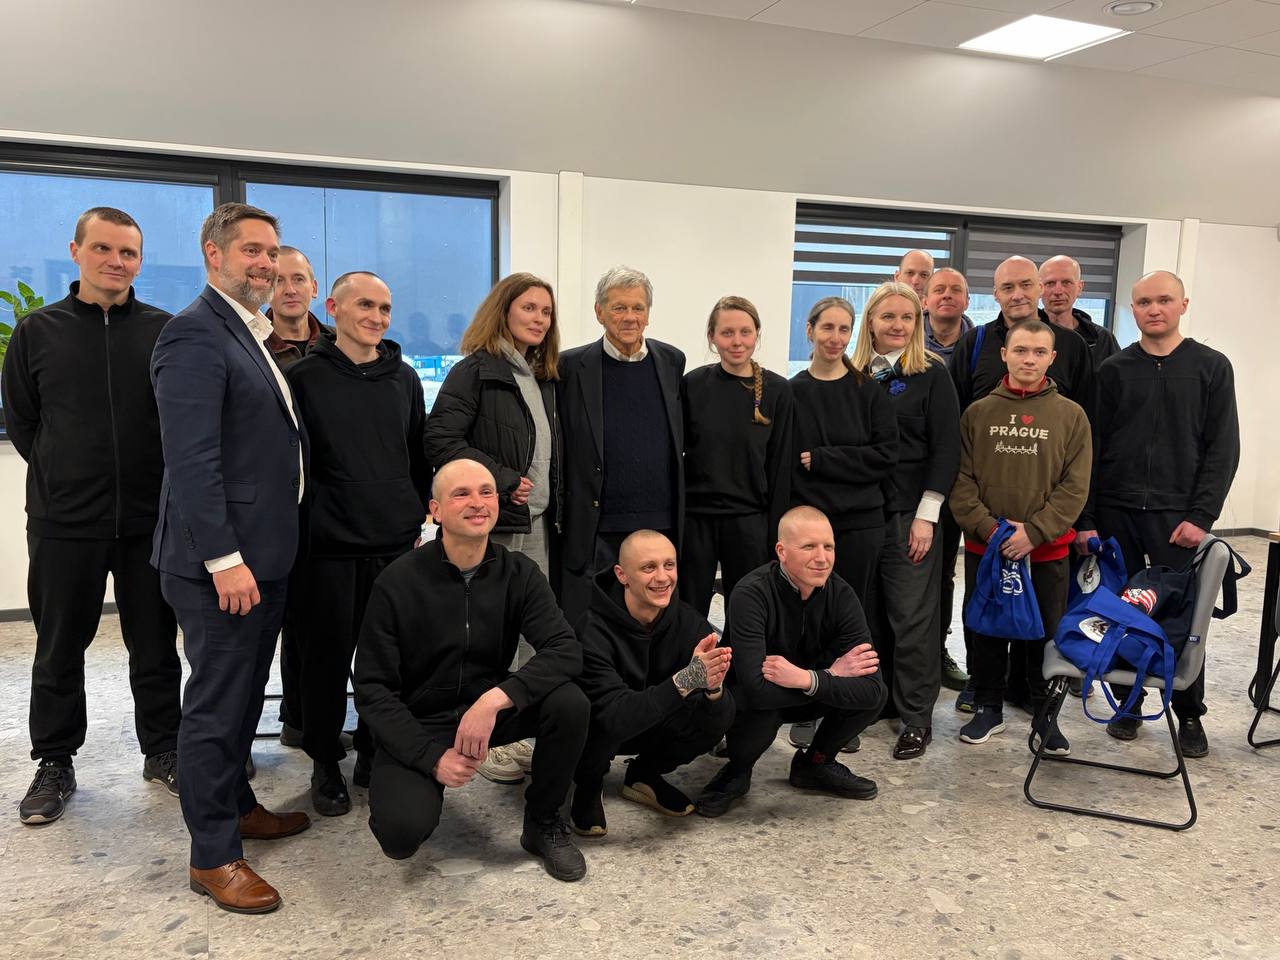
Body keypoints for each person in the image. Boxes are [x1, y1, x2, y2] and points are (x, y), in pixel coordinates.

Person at [151, 202, 311, 914]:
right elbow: (192, 463)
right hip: (223, 566)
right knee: (215, 707)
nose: (265, 264)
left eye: (271, 251)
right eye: (251, 249)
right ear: (212, 253)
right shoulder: (193, 334)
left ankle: (239, 804)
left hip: (265, 557)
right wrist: (223, 559)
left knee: (246, 696)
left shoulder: (249, 332)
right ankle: (212, 856)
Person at [3, 207, 181, 824]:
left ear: (139, 260)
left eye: (128, 253)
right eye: (103, 248)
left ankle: (163, 748)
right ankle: (55, 760)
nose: (116, 261)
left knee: (154, 644)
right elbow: (25, 422)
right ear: (76, 251)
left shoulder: (164, 330)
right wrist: (64, 471)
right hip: (64, 523)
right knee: (59, 647)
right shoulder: (37, 330)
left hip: (147, 522)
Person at [354, 459, 591, 882]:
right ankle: (392, 781)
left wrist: (496, 699)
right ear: (436, 510)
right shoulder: (397, 582)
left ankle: (542, 822)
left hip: (485, 711)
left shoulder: (518, 573)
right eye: (461, 494)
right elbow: (373, 689)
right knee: (401, 835)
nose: (478, 502)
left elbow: (565, 649)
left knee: (569, 703)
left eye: (486, 491)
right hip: (421, 721)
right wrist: (432, 758)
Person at [284, 271, 430, 817]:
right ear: (335, 308)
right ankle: (325, 760)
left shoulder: (405, 379)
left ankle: (374, 748)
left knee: (386, 660)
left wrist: (415, 514)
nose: (377, 317)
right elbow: (296, 466)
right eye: (365, 305)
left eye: (386, 308)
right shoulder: (304, 378)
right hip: (326, 546)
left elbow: (418, 455)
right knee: (324, 661)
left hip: (392, 543)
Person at [1075, 271, 1239, 757]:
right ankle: (1127, 703)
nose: (1154, 309)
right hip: (1115, 512)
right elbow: (1092, 449)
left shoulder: (1211, 367)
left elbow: (1222, 448)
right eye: (1144, 302)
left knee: (1183, 618)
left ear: (1183, 304)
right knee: (1121, 610)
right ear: (1133, 309)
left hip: (1176, 518)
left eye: (1164, 300)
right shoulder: (1114, 370)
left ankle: (1188, 712)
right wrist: (1087, 519)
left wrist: (1202, 516)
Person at [425, 272, 564, 784]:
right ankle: (484, 736)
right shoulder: (476, 371)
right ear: (503, 311)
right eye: (528, 308)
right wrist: (502, 481)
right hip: (497, 525)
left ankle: (521, 729)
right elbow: (440, 438)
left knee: (534, 632)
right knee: (491, 634)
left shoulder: (541, 376)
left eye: (545, 312)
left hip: (539, 525)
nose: (538, 319)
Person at [948, 256, 1095, 714]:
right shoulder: (977, 413)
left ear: (1051, 357)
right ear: (1004, 355)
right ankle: (988, 706)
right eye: (1020, 352)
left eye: (1038, 353)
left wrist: (1035, 531)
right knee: (986, 627)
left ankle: (1044, 714)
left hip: (1047, 548)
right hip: (986, 545)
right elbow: (961, 479)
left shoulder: (1072, 416)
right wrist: (992, 531)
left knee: (1045, 632)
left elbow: (1075, 485)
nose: (1028, 359)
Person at [695, 507, 887, 818]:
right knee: (756, 708)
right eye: (809, 547)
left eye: (829, 546)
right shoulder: (750, 592)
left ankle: (816, 764)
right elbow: (754, 689)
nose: (822, 558)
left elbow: (873, 690)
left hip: (805, 686)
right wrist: (832, 676)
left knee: (870, 699)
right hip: (761, 700)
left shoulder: (842, 594)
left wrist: (810, 678)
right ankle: (738, 771)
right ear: (782, 552)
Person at [850, 282, 960, 759]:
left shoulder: (932, 375)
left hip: (909, 517)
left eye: (907, 318)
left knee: (913, 618)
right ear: (869, 321)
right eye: (887, 317)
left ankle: (916, 716)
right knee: (865, 614)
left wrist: (927, 517)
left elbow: (946, 449)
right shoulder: (850, 376)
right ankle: (874, 702)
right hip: (857, 518)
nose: (897, 325)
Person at [570, 530, 734, 837]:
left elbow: (719, 720)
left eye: (669, 565)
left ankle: (644, 774)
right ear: (622, 574)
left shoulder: (691, 624)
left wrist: (714, 688)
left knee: (712, 712)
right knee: (582, 712)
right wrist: (685, 681)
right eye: (649, 568)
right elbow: (614, 716)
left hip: (656, 723)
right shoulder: (591, 628)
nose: (663, 577)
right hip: (603, 732)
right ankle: (589, 784)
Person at [558, 266, 685, 624]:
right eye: (618, 308)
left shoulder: (671, 361)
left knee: (654, 619)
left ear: (648, 313)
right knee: (596, 621)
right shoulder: (570, 366)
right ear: (599, 312)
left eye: (638, 308)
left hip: (660, 524)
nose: (629, 317)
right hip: (599, 525)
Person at [680, 296, 794, 617]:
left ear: (757, 334)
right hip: (697, 520)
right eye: (727, 333)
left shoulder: (778, 390)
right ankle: (693, 667)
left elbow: (780, 466)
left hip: (750, 521)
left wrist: (776, 533)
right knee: (690, 608)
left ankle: (740, 669)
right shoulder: (693, 385)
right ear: (712, 337)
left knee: (747, 608)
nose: (737, 341)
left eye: (745, 332)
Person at [265, 245, 333, 749]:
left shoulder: (340, 345)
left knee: (317, 618)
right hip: (270, 504)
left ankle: (304, 718)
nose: (290, 288)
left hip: (331, 505)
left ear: (315, 288)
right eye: (280, 279)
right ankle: (284, 718)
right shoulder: (248, 344)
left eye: (300, 279)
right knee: (276, 618)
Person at [789, 297, 898, 606]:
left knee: (854, 609)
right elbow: (787, 464)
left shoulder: (869, 391)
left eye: (844, 329)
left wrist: (825, 459)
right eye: (827, 328)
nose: (835, 338)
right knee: (807, 609)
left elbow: (886, 456)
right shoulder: (790, 393)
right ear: (809, 331)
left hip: (861, 525)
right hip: (810, 524)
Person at [949, 256, 1095, 420]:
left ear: (1040, 288)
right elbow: (952, 414)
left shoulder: (1072, 345)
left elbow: (1086, 418)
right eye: (1008, 287)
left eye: (1026, 285)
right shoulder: (973, 343)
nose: (1018, 295)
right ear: (996, 294)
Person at [923, 268, 976, 693]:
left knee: (944, 572)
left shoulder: (982, 345)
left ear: (968, 299)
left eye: (955, 289)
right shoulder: (902, 343)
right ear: (925, 300)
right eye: (937, 289)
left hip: (968, 478)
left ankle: (937, 651)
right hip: (917, 477)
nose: (946, 296)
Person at [1039, 255, 1119, 369]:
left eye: (1066, 282)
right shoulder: (1023, 335)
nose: (1058, 291)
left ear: (1079, 287)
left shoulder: (1102, 339)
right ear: (1039, 288)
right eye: (1050, 283)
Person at [923, 267, 975, 361]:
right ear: (925, 302)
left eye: (956, 290)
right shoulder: (905, 339)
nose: (947, 295)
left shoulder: (980, 345)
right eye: (939, 290)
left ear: (967, 302)